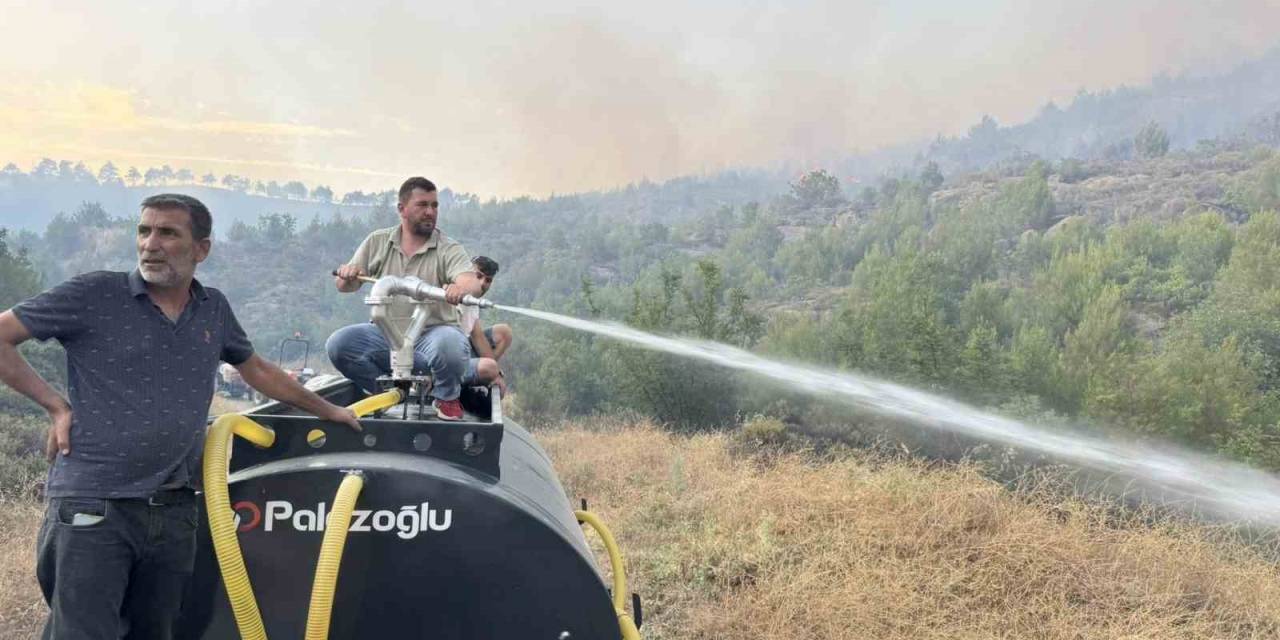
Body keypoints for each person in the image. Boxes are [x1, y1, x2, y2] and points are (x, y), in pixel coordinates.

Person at [0, 194, 362, 640]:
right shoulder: (94, 293)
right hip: (94, 507)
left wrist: (329, 411)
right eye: (144, 231)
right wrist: (55, 405)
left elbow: (259, 370)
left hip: (173, 512)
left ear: (201, 249)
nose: (151, 243)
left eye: (168, 233)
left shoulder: (213, 308)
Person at [327, 177, 484, 420]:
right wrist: (348, 274)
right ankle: (384, 391)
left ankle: (445, 397)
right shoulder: (378, 241)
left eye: (434, 206)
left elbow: (470, 281)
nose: (430, 212)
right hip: (386, 333)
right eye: (422, 205)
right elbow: (344, 285)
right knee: (339, 344)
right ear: (402, 209)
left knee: (451, 346)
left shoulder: (447, 248)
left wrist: (459, 288)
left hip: (432, 334)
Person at [459, 256, 513, 395]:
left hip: (464, 350)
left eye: (488, 280)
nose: (482, 283)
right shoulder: (453, 294)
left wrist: (496, 373)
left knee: (504, 333)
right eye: (478, 276)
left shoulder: (473, 302)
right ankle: (481, 375)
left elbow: (478, 338)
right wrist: (492, 371)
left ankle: (483, 375)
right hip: (448, 359)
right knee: (490, 368)